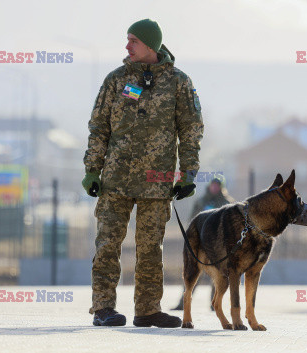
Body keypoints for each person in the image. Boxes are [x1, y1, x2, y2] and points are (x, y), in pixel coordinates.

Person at [82, 19, 204, 328]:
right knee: (108, 244)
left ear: (150, 45)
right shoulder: (116, 80)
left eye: (133, 40)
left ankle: (148, 309)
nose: (127, 46)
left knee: (151, 249)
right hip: (115, 179)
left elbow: (190, 130)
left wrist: (188, 174)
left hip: (157, 182)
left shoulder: (179, 82)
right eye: (127, 40)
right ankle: (103, 308)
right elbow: (99, 128)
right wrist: (92, 170)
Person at [172, 177, 234, 310]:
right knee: (193, 272)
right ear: (210, 186)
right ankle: (183, 303)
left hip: (219, 246)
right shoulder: (200, 202)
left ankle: (215, 304)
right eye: (213, 185)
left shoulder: (228, 204)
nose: (215, 188)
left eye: (217, 186)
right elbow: (192, 220)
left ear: (221, 187)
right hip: (201, 242)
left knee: (219, 274)